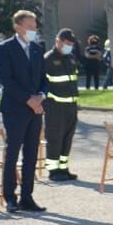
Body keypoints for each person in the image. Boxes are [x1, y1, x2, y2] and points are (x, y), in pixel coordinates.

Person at [0, 10, 48, 214]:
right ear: (17, 27)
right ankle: (10, 197)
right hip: (15, 109)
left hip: (36, 109)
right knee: (13, 152)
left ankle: (28, 196)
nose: (34, 30)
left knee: (31, 153)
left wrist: (41, 96)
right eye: (30, 26)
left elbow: (44, 78)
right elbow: (6, 80)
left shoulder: (37, 48)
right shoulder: (5, 48)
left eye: (35, 26)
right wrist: (29, 100)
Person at [43, 28, 81, 182]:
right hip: (54, 106)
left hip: (71, 106)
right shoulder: (48, 59)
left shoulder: (71, 58)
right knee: (55, 138)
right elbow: (42, 84)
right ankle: (53, 170)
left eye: (71, 43)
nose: (70, 46)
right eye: (67, 43)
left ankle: (64, 168)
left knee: (67, 138)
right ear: (58, 41)